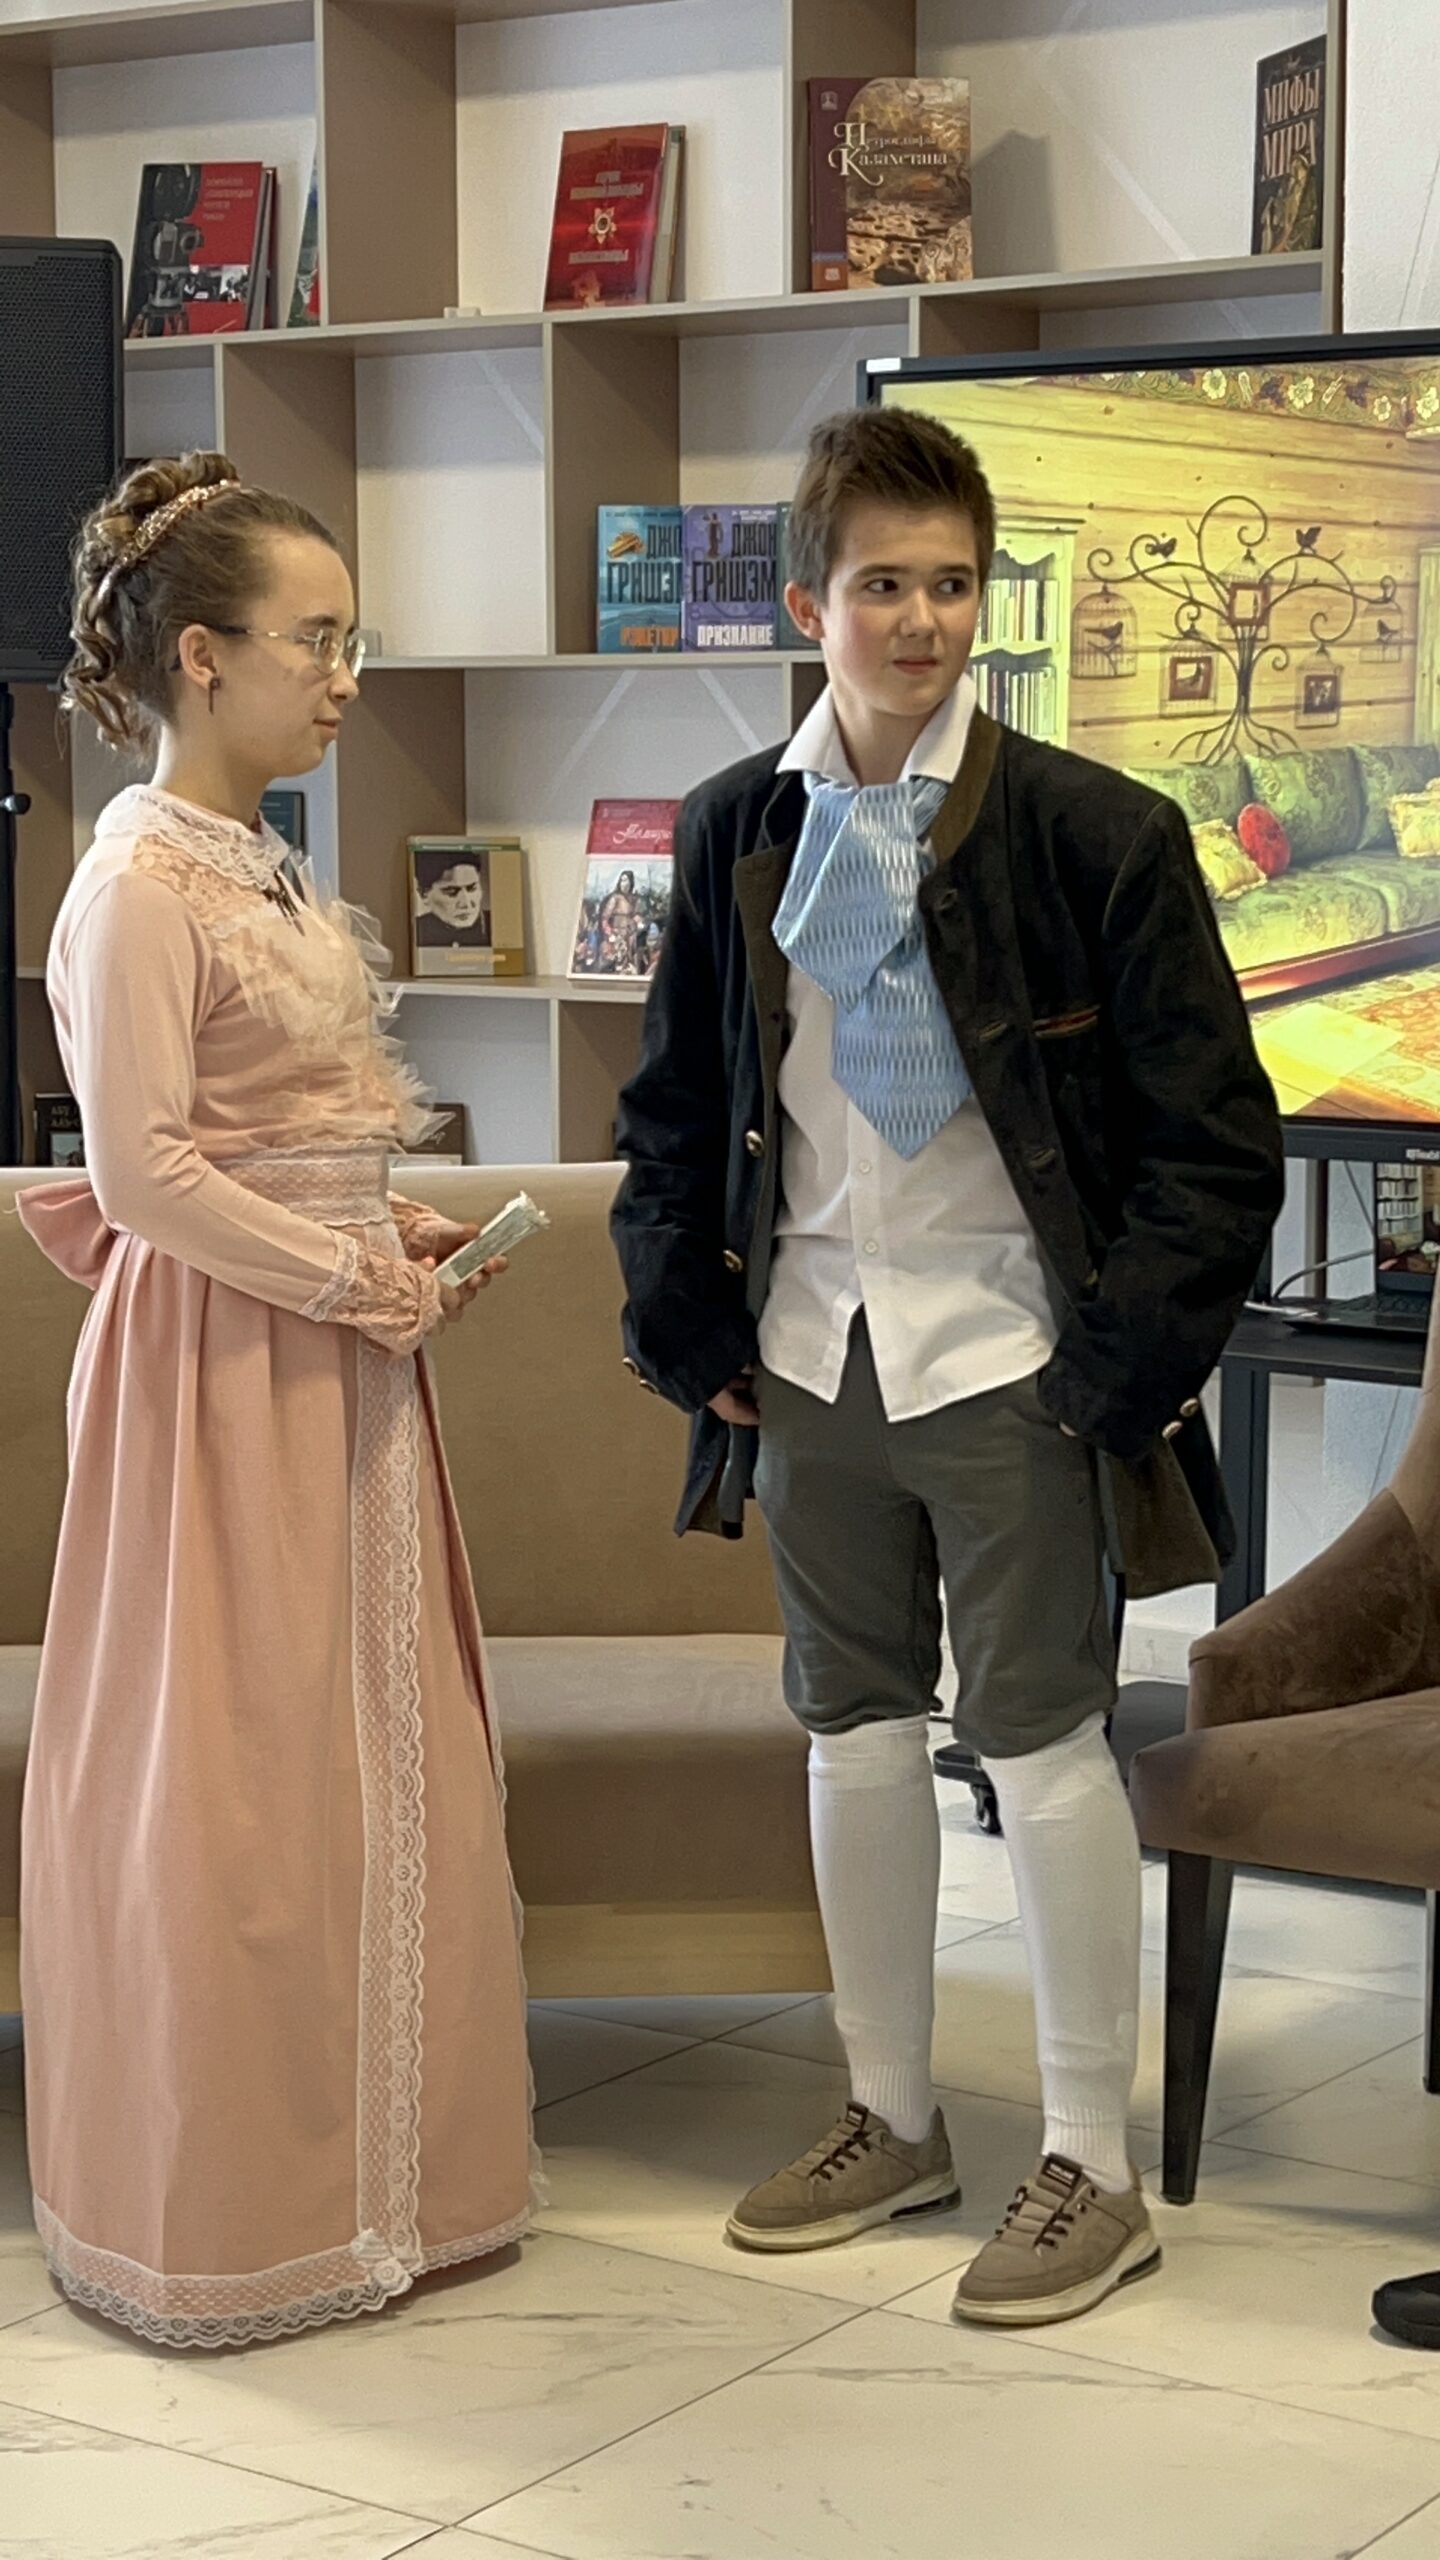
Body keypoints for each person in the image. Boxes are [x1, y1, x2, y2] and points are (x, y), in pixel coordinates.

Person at [610, 406, 1283, 2328]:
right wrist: (687, 1326)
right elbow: (676, 1111)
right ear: (807, 604)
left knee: (1049, 1737)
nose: (921, 620)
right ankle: (891, 2116)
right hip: (811, 1351)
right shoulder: (738, 827)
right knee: (850, 1728)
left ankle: (1092, 2164)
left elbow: (1214, 1144)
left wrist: (1115, 1373)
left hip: (1017, 1352)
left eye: (954, 584)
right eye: (882, 584)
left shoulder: (1096, 832)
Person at [16, 452, 536, 2350]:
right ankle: (244, 2208)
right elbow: (145, 1174)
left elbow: (277, 1134)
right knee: (234, 1780)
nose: (343, 676)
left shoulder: (264, 865)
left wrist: (383, 1223)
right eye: (315, 640)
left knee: (365, 1756)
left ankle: (389, 2190)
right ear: (202, 655)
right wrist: (346, 1274)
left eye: (349, 638)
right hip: (222, 1371)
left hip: (332, 1357)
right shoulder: (135, 885)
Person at [413, 857, 491, 950]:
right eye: (451, 892)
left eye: (472, 889)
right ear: (424, 894)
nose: (465, 904)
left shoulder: (496, 925)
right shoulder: (414, 931)